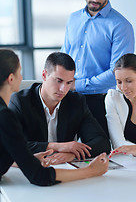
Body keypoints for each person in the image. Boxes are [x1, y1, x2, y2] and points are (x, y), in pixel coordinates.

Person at [0, 48, 109, 186]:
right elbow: (39, 176)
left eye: (69, 83)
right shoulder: (11, 110)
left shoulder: (76, 102)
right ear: (44, 75)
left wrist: (73, 154)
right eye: (58, 81)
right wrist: (90, 171)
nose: (63, 89)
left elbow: (102, 142)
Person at [61, 0, 135, 134]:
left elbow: (117, 74)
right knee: (60, 152)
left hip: (98, 103)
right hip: (66, 98)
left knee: (96, 154)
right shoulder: (73, 19)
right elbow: (63, 58)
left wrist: (77, 85)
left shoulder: (121, 27)